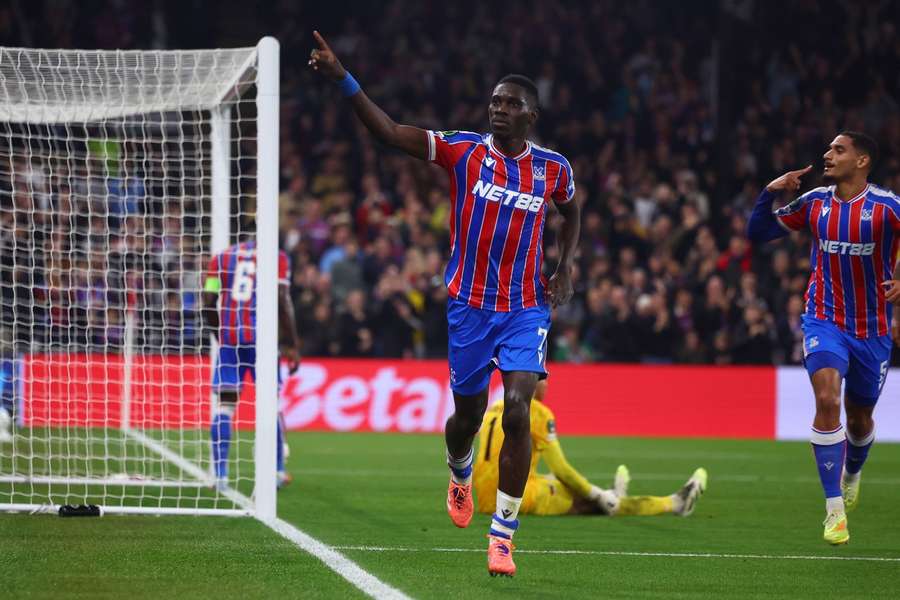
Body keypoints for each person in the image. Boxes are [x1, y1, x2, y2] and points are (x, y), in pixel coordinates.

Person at [309, 31, 581, 576]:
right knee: (469, 416)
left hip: (526, 306)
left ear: (531, 115)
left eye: (510, 104)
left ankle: (502, 535)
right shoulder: (464, 150)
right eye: (495, 101)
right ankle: (459, 469)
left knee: (520, 408)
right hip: (469, 306)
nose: (498, 109)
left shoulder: (553, 168)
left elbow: (572, 210)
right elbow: (390, 132)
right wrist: (343, 78)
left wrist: (565, 265)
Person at [747, 131, 900, 545]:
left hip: (872, 330)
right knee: (828, 398)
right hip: (823, 319)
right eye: (830, 148)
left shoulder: (887, 208)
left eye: (838, 150)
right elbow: (758, 232)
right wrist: (769, 192)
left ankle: (852, 471)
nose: (827, 155)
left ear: (862, 160)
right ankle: (834, 511)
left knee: (860, 419)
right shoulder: (815, 202)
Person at [473, 381, 708, 518]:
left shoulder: (496, 406)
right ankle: (673, 503)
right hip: (514, 498)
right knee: (593, 502)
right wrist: (596, 494)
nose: (547, 383)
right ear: (533, 381)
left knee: (553, 480)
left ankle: (612, 494)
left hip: (484, 495)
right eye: (544, 377)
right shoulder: (538, 413)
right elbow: (562, 469)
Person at [202, 239, 301, 490]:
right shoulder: (276, 257)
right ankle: (276, 472)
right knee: (270, 406)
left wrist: (220, 335)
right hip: (262, 342)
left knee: (225, 406)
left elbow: (208, 299)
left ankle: (220, 476)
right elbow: (282, 298)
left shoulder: (221, 258)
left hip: (230, 341)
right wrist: (292, 343)